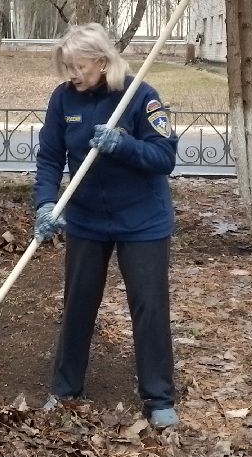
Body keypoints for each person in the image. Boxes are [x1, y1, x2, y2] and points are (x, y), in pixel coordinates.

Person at [33, 22, 180, 428]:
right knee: (78, 303)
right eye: (67, 66)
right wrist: (46, 204)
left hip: (142, 220)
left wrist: (124, 144)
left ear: (102, 61)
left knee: (149, 307)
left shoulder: (140, 97)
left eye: (78, 66)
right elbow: (49, 158)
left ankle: (158, 397)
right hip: (86, 219)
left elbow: (165, 157)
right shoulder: (63, 100)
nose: (72, 74)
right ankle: (65, 389)